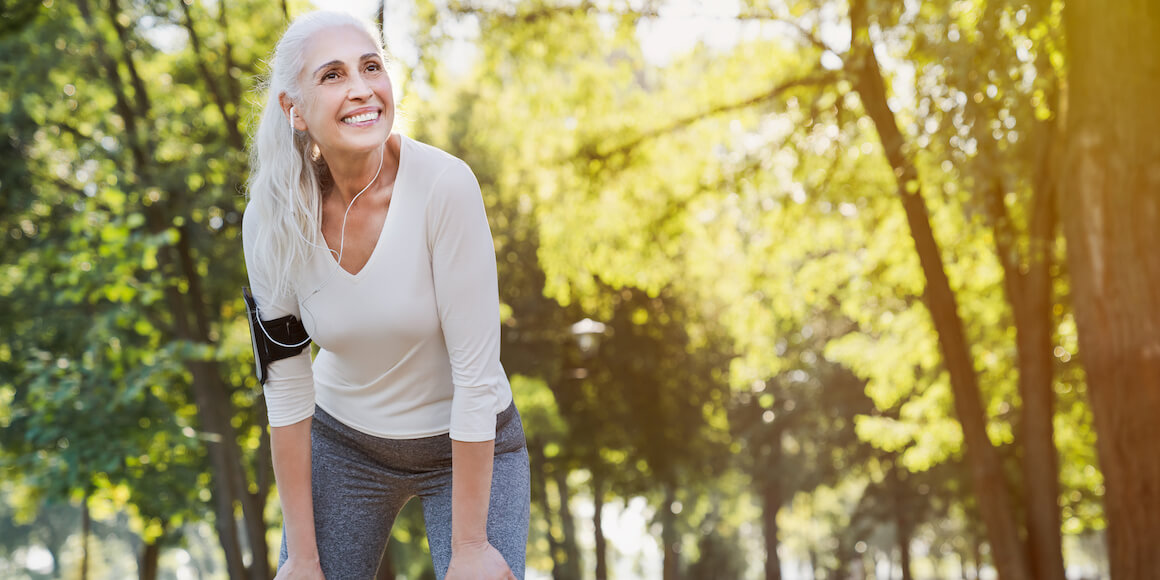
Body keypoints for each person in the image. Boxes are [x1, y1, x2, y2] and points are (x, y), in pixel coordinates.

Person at [241, 10, 529, 580]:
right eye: (332, 75)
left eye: (371, 67)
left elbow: (475, 375)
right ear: (293, 111)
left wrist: (470, 548)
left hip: (469, 445)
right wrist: (300, 558)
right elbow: (288, 388)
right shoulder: (271, 220)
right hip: (346, 444)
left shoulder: (444, 186)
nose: (361, 88)